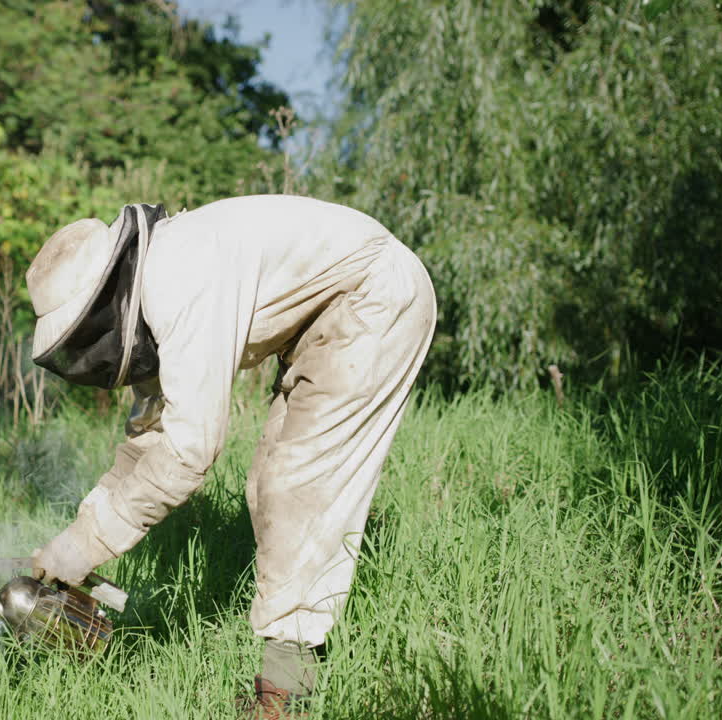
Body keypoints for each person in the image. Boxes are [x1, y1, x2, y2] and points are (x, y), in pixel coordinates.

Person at [25, 195, 436, 718]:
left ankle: (285, 696)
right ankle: (288, 684)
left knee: (296, 486)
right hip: (329, 314)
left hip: (375, 297)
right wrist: (74, 538)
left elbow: (188, 451)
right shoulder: (153, 290)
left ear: (104, 302)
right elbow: (149, 440)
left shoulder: (176, 277)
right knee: (267, 485)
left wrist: (89, 546)